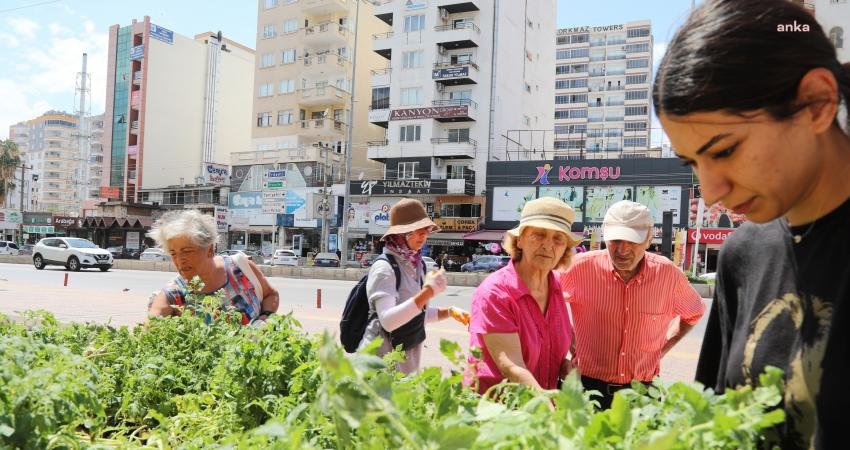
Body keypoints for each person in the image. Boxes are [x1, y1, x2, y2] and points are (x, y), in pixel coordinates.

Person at [654, 0, 850, 447]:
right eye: (691, 162)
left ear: (817, 102)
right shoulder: (744, 253)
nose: (710, 192)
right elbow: (718, 422)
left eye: (724, 151)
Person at [560, 201, 705, 409]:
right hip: (587, 389)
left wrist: (662, 349)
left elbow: (694, 313)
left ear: (648, 240)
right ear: (604, 235)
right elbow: (545, 299)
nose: (622, 249)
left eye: (632, 241)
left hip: (643, 394)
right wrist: (567, 337)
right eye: (615, 240)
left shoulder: (667, 275)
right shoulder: (580, 267)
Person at [468, 197, 580, 394]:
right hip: (497, 414)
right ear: (519, 240)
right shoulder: (496, 293)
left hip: (539, 413)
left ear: (564, 249)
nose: (548, 245)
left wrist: (564, 367)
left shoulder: (555, 288)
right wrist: (552, 413)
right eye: (539, 234)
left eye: (558, 239)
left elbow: (552, 347)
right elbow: (512, 367)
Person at [358, 198, 469, 374]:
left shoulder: (417, 265)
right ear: (401, 234)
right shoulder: (384, 268)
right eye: (417, 232)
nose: (423, 237)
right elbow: (388, 321)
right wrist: (428, 292)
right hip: (378, 368)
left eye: (426, 231)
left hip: (406, 368)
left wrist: (449, 312)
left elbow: (416, 314)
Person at [147, 210, 279, 326]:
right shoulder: (174, 295)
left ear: (209, 249)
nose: (179, 260)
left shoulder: (241, 268)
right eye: (173, 253)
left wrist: (265, 318)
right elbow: (151, 326)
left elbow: (271, 295)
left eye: (187, 251)